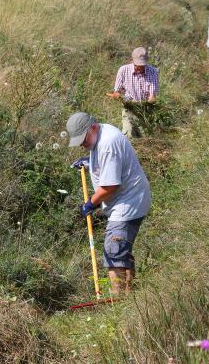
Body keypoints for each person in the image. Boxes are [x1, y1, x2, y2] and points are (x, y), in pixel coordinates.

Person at [66, 112, 151, 295]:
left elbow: (109, 186)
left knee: (114, 251)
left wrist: (90, 204)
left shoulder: (107, 144)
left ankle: (117, 298)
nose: (82, 144)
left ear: (93, 127)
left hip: (128, 203)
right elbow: (108, 163)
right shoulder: (101, 135)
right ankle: (128, 297)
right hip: (130, 199)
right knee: (121, 251)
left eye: (83, 139)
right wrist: (90, 162)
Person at [106, 47, 159, 140]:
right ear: (132, 60)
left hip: (145, 111)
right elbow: (117, 92)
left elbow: (152, 96)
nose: (139, 68)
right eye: (137, 65)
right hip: (128, 108)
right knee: (128, 135)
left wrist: (148, 102)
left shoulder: (153, 71)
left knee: (144, 137)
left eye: (142, 66)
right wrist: (118, 96)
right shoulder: (123, 70)